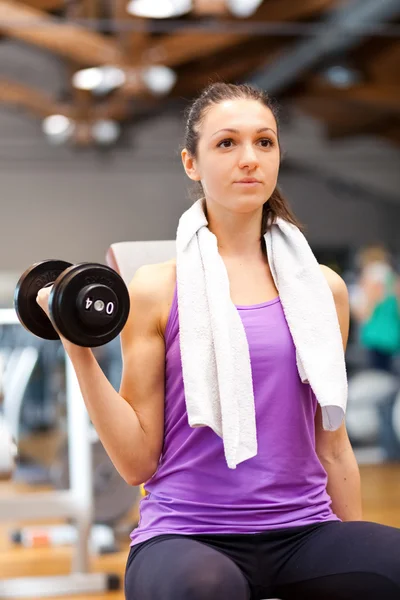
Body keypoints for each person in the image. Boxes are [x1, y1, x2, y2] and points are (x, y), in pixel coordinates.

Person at [37, 82, 400, 600]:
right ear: (192, 162)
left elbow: (333, 447)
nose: (249, 158)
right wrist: (78, 350)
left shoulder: (323, 289)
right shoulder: (158, 289)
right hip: (186, 535)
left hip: (303, 532)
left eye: (265, 142)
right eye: (227, 143)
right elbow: (138, 461)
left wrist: (352, 550)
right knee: (205, 590)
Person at [350, 244, 400, 373]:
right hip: (392, 334)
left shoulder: (372, 276)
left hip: (375, 335)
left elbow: (364, 310)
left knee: (377, 376)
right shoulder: (392, 278)